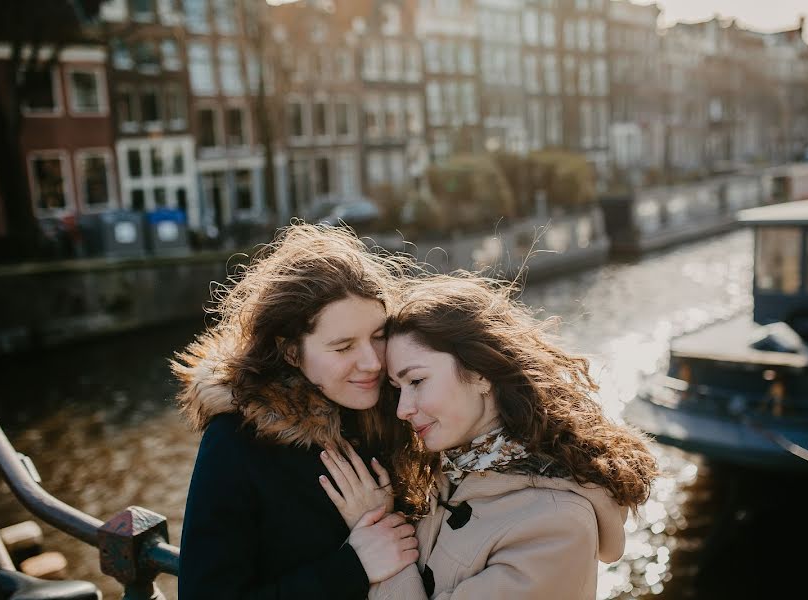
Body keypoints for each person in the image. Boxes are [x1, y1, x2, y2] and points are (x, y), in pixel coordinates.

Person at [320, 274, 659, 599]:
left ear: (481, 374)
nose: (402, 409)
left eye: (417, 382)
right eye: (397, 389)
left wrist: (382, 547)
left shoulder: (556, 524)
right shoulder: (446, 474)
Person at [172, 224, 418, 599]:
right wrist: (352, 566)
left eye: (378, 336)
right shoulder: (237, 443)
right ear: (291, 352)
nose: (371, 362)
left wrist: (384, 516)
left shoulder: (406, 413)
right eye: (342, 347)